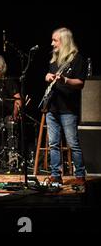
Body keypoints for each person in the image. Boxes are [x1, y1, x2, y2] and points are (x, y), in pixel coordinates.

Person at [44, 27, 87, 185]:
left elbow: (80, 83)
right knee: (53, 144)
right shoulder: (54, 60)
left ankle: (80, 176)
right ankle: (56, 175)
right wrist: (48, 77)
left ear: (64, 41)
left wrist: (65, 80)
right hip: (52, 107)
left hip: (68, 108)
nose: (52, 43)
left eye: (55, 40)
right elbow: (51, 78)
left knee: (72, 143)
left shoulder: (77, 59)